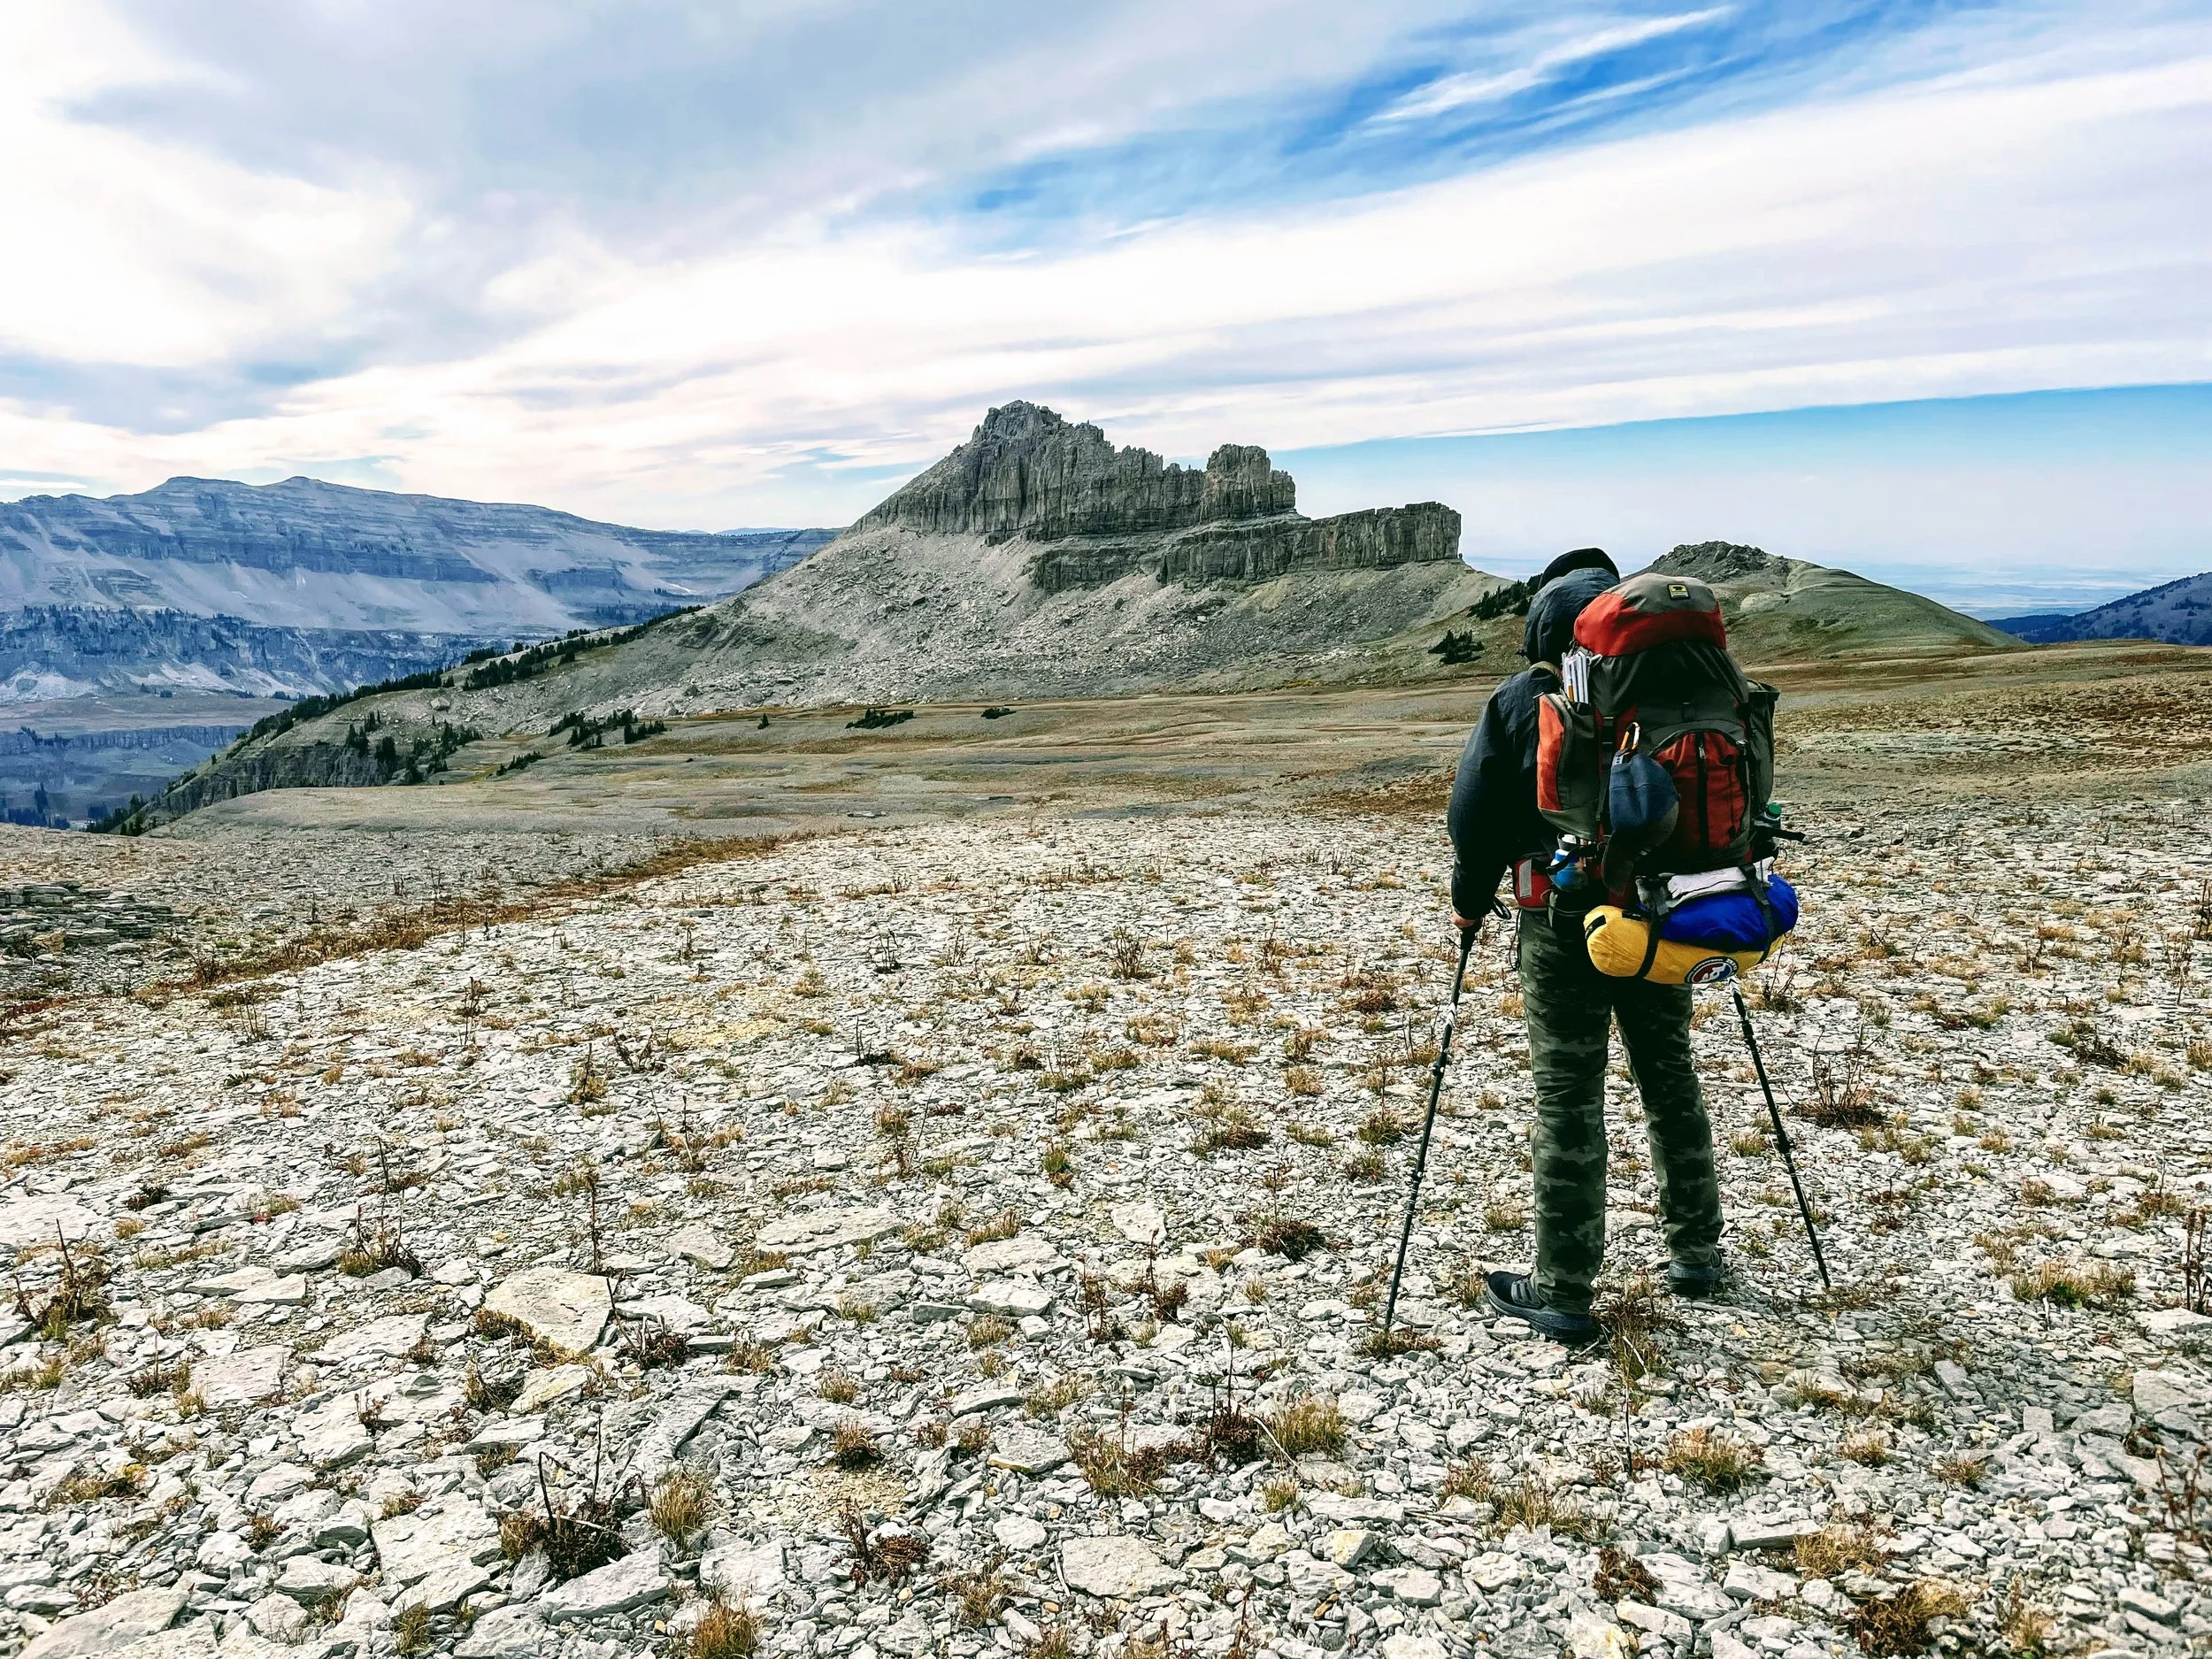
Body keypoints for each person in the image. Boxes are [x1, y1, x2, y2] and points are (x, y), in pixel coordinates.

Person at [1445, 548, 1724, 1344]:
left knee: (1569, 1096)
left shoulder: (1522, 697)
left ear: (1544, 627)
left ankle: (1563, 1288)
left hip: (1562, 925)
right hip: (1659, 919)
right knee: (1669, 1075)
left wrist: (1470, 904)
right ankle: (1696, 1253)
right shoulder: (1670, 689)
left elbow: (1473, 819)